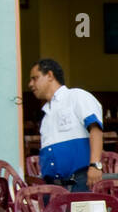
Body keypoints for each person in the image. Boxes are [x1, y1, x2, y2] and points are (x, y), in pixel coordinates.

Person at [28, 58, 105, 192]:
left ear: (50, 75)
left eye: (35, 78)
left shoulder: (76, 96)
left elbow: (95, 129)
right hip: (53, 186)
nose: (30, 84)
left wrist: (95, 165)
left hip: (81, 180)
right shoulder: (46, 114)